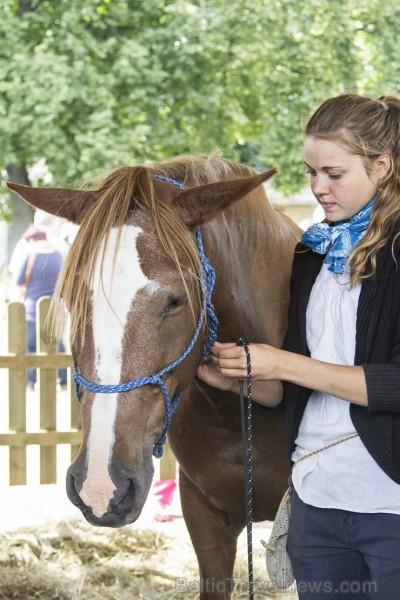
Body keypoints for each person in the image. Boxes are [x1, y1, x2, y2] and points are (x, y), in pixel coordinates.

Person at [197, 93, 400, 599]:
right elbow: (294, 387)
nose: (318, 188)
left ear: (383, 165)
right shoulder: (313, 251)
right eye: (310, 172)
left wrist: (282, 361)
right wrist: (245, 380)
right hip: (316, 504)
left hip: (390, 506)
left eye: (333, 173)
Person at [9, 210, 69, 390]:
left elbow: (18, 280)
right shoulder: (59, 251)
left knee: (30, 346)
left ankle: (30, 382)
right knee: (57, 344)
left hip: (31, 308)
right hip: (55, 308)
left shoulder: (27, 250)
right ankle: (64, 381)